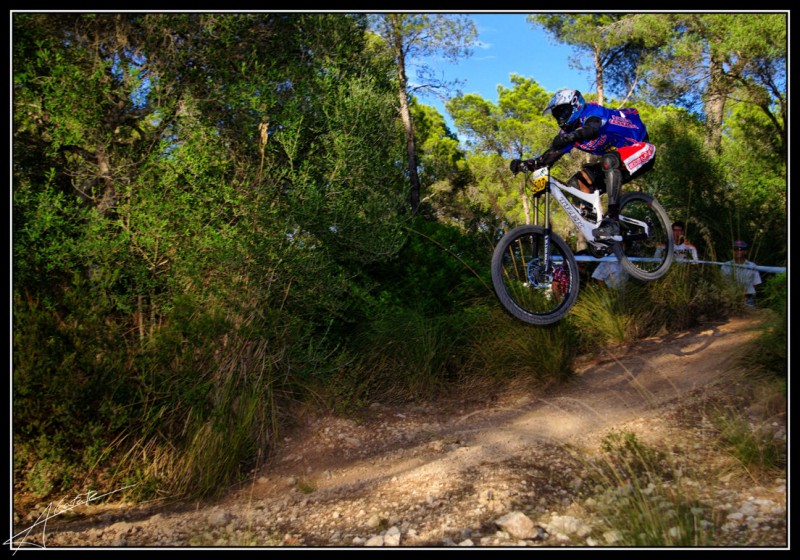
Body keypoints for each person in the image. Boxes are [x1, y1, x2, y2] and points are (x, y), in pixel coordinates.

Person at [510, 89, 656, 239]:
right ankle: (597, 231)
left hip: (641, 148)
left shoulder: (592, 111)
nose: (560, 118)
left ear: (576, 105)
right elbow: (547, 159)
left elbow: (591, 130)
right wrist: (527, 164)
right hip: (618, 161)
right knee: (576, 183)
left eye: (563, 112)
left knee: (609, 160)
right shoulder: (569, 131)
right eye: (557, 115)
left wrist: (569, 138)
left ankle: (612, 221)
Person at [721, 240, 762, 308]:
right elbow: (724, 283)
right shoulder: (726, 265)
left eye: (740, 249)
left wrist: (747, 293)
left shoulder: (752, 266)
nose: (737, 251)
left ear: (746, 251)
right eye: (735, 249)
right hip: (730, 298)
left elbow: (756, 283)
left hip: (748, 299)